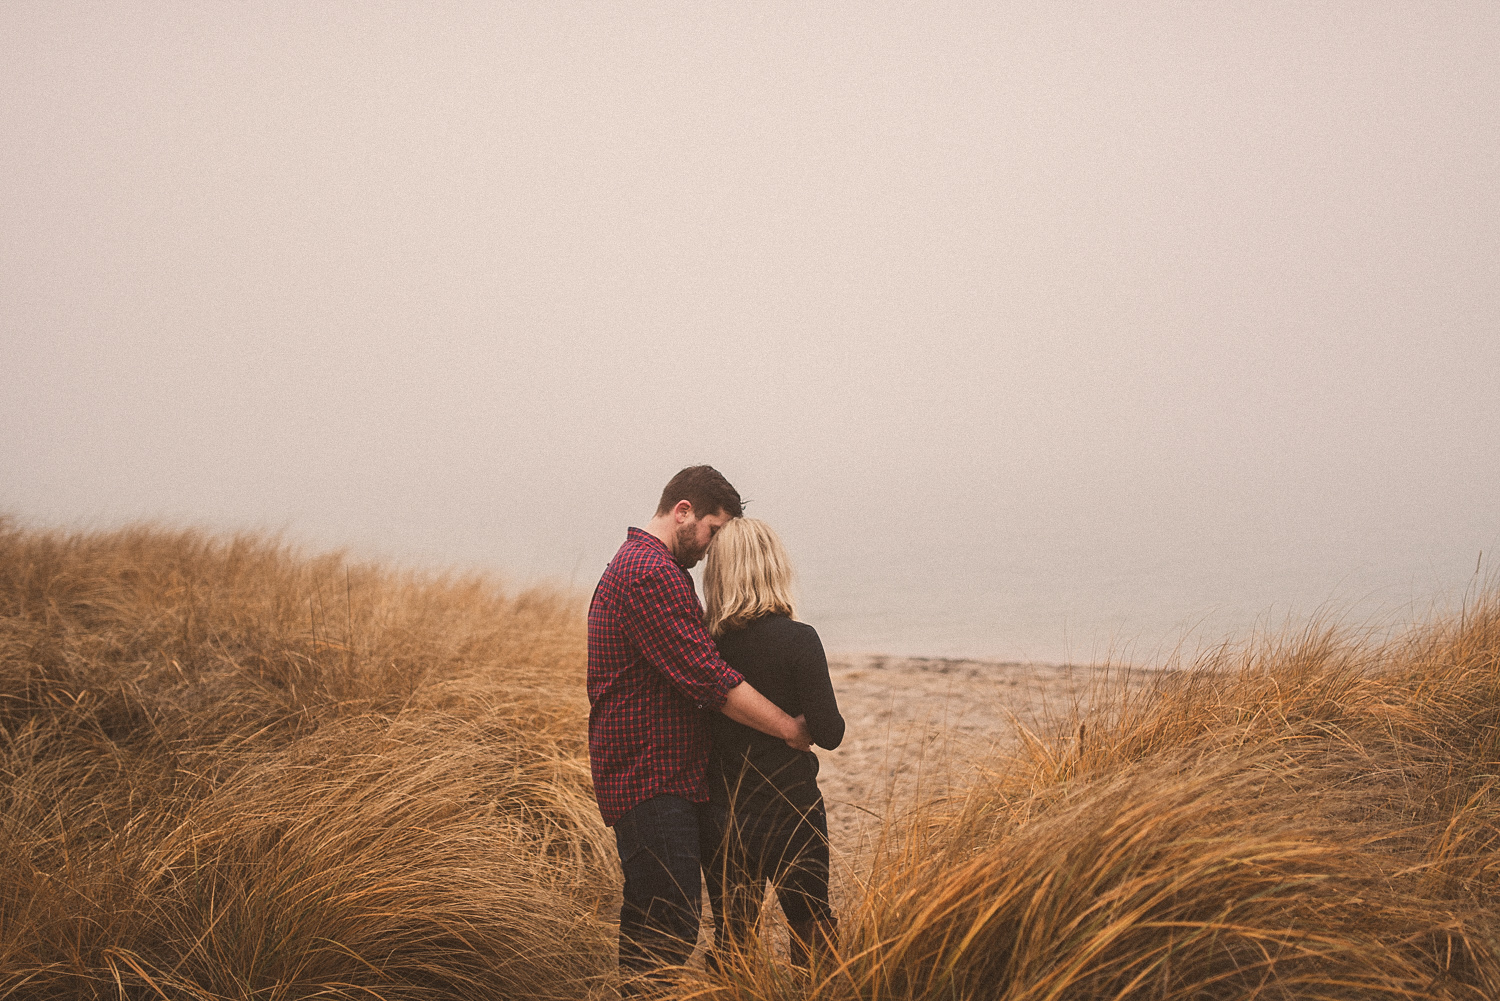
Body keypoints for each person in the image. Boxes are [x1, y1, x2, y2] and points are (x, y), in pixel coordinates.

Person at [587, 466, 814, 993]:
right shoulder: (650, 572)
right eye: (714, 530)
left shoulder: (646, 566)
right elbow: (710, 679)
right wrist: (789, 728)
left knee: (656, 915)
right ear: (683, 511)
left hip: (655, 772)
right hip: (650, 774)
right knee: (669, 920)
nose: (713, 547)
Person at [700, 517, 845, 969]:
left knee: (733, 935)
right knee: (811, 923)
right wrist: (797, 722)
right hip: (791, 805)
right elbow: (831, 733)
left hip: (724, 808)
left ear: (719, 574)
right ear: (773, 567)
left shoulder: (704, 646)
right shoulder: (799, 640)